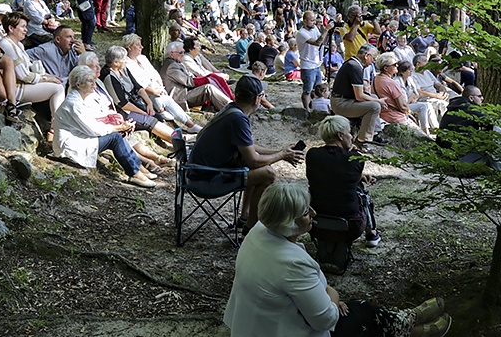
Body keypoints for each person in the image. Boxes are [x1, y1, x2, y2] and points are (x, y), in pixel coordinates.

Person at [224, 181, 451, 337]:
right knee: (362, 319)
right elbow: (325, 319)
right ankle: (414, 330)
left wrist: (326, 293)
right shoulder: (290, 263)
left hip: (255, 328)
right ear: (288, 222)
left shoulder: (260, 230)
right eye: (305, 212)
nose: (313, 213)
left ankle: (410, 322)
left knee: (363, 310)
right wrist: (333, 295)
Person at [190, 76, 304, 230]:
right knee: (267, 174)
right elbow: (254, 161)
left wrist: (281, 151)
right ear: (257, 100)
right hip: (207, 180)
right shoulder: (238, 119)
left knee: (255, 168)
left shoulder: (231, 110)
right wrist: (282, 155)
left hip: (195, 174)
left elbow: (249, 147)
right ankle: (252, 228)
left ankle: (245, 217)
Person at [52, 65, 156, 187]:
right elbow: (93, 130)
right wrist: (119, 128)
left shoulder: (80, 99)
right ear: (79, 85)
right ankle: (135, 174)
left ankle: (137, 167)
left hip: (80, 139)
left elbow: (94, 122)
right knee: (115, 137)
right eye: (90, 81)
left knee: (117, 135)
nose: (93, 83)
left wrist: (120, 125)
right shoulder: (73, 103)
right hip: (71, 146)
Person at [306, 115, 381, 247]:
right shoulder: (355, 158)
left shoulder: (312, 154)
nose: (351, 136)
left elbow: (334, 174)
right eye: (349, 133)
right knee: (361, 192)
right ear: (340, 136)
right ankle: (372, 234)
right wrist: (350, 154)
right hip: (350, 227)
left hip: (316, 224)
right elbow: (345, 174)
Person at [122, 34, 203, 133]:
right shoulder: (126, 63)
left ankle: (190, 124)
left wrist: (160, 85)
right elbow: (138, 83)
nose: (141, 47)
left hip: (157, 88)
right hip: (145, 92)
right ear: (129, 47)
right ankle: (162, 110)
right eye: (138, 45)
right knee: (162, 98)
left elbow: (154, 72)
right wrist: (154, 91)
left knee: (167, 99)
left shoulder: (142, 58)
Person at [0, 12, 66, 127]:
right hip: (16, 88)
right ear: (11, 28)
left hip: (25, 84)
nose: (26, 30)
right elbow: (23, 75)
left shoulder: (19, 45)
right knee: (58, 89)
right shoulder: (6, 44)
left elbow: (31, 67)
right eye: (23, 27)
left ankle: (57, 124)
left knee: (59, 82)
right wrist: (45, 78)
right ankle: (56, 127)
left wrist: (49, 77)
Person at [100, 45, 177, 143]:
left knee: (156, 116)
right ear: (115, 62)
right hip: (124, 111)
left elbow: (138, 87)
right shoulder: (109, 76)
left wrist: (149, 103)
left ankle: (176, 136)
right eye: (123, 59)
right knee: (147, 119)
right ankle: (179, 139)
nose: (126, 60)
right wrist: (142, 112)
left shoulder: (123, 69)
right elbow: (123, 104)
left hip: (135, 103)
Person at [330, 44, 388, 149]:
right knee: (375, 106)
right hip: (341, 103)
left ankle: (374, 133)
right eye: (373, 59)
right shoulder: (355, 67)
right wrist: (378, 101)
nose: (373, 62)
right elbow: (359, 96)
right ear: (367, 56)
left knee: (373, 98)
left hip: (342, 99)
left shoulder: (352, 63)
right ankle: (361, 141)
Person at [160, 40, 232, 112]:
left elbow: (190, 76)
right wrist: (207, 79)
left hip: (184, 93)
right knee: (208, 88)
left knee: (209, 85)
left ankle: (226, 106)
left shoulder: (176, 63)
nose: (183, 54)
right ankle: (231, 108)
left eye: (184, 52)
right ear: (171, 54)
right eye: (180, 53)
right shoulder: (171, 66)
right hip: (180, 98)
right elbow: (189, 82)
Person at [372, 52, 427, 137]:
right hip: (395, 117)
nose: (397, 66)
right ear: (386, 68)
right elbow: (402, 106)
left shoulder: (376, 79)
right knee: (424, 138)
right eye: (394, 64)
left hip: (383, 115)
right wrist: (408, 114)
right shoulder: (391, 83)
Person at [297, 11, 332, 111]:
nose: (314, 22)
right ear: (305, 21)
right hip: (307, 65)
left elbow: (322, 42)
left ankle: (318, 108)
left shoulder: (315, 28)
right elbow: (317, 42)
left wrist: (329, 33)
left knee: (318, 90)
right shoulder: (301, 33)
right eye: (311, 20)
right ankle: (307, 110)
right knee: (307, 90)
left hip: (316, 63)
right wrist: (326, 29)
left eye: (314, 20)